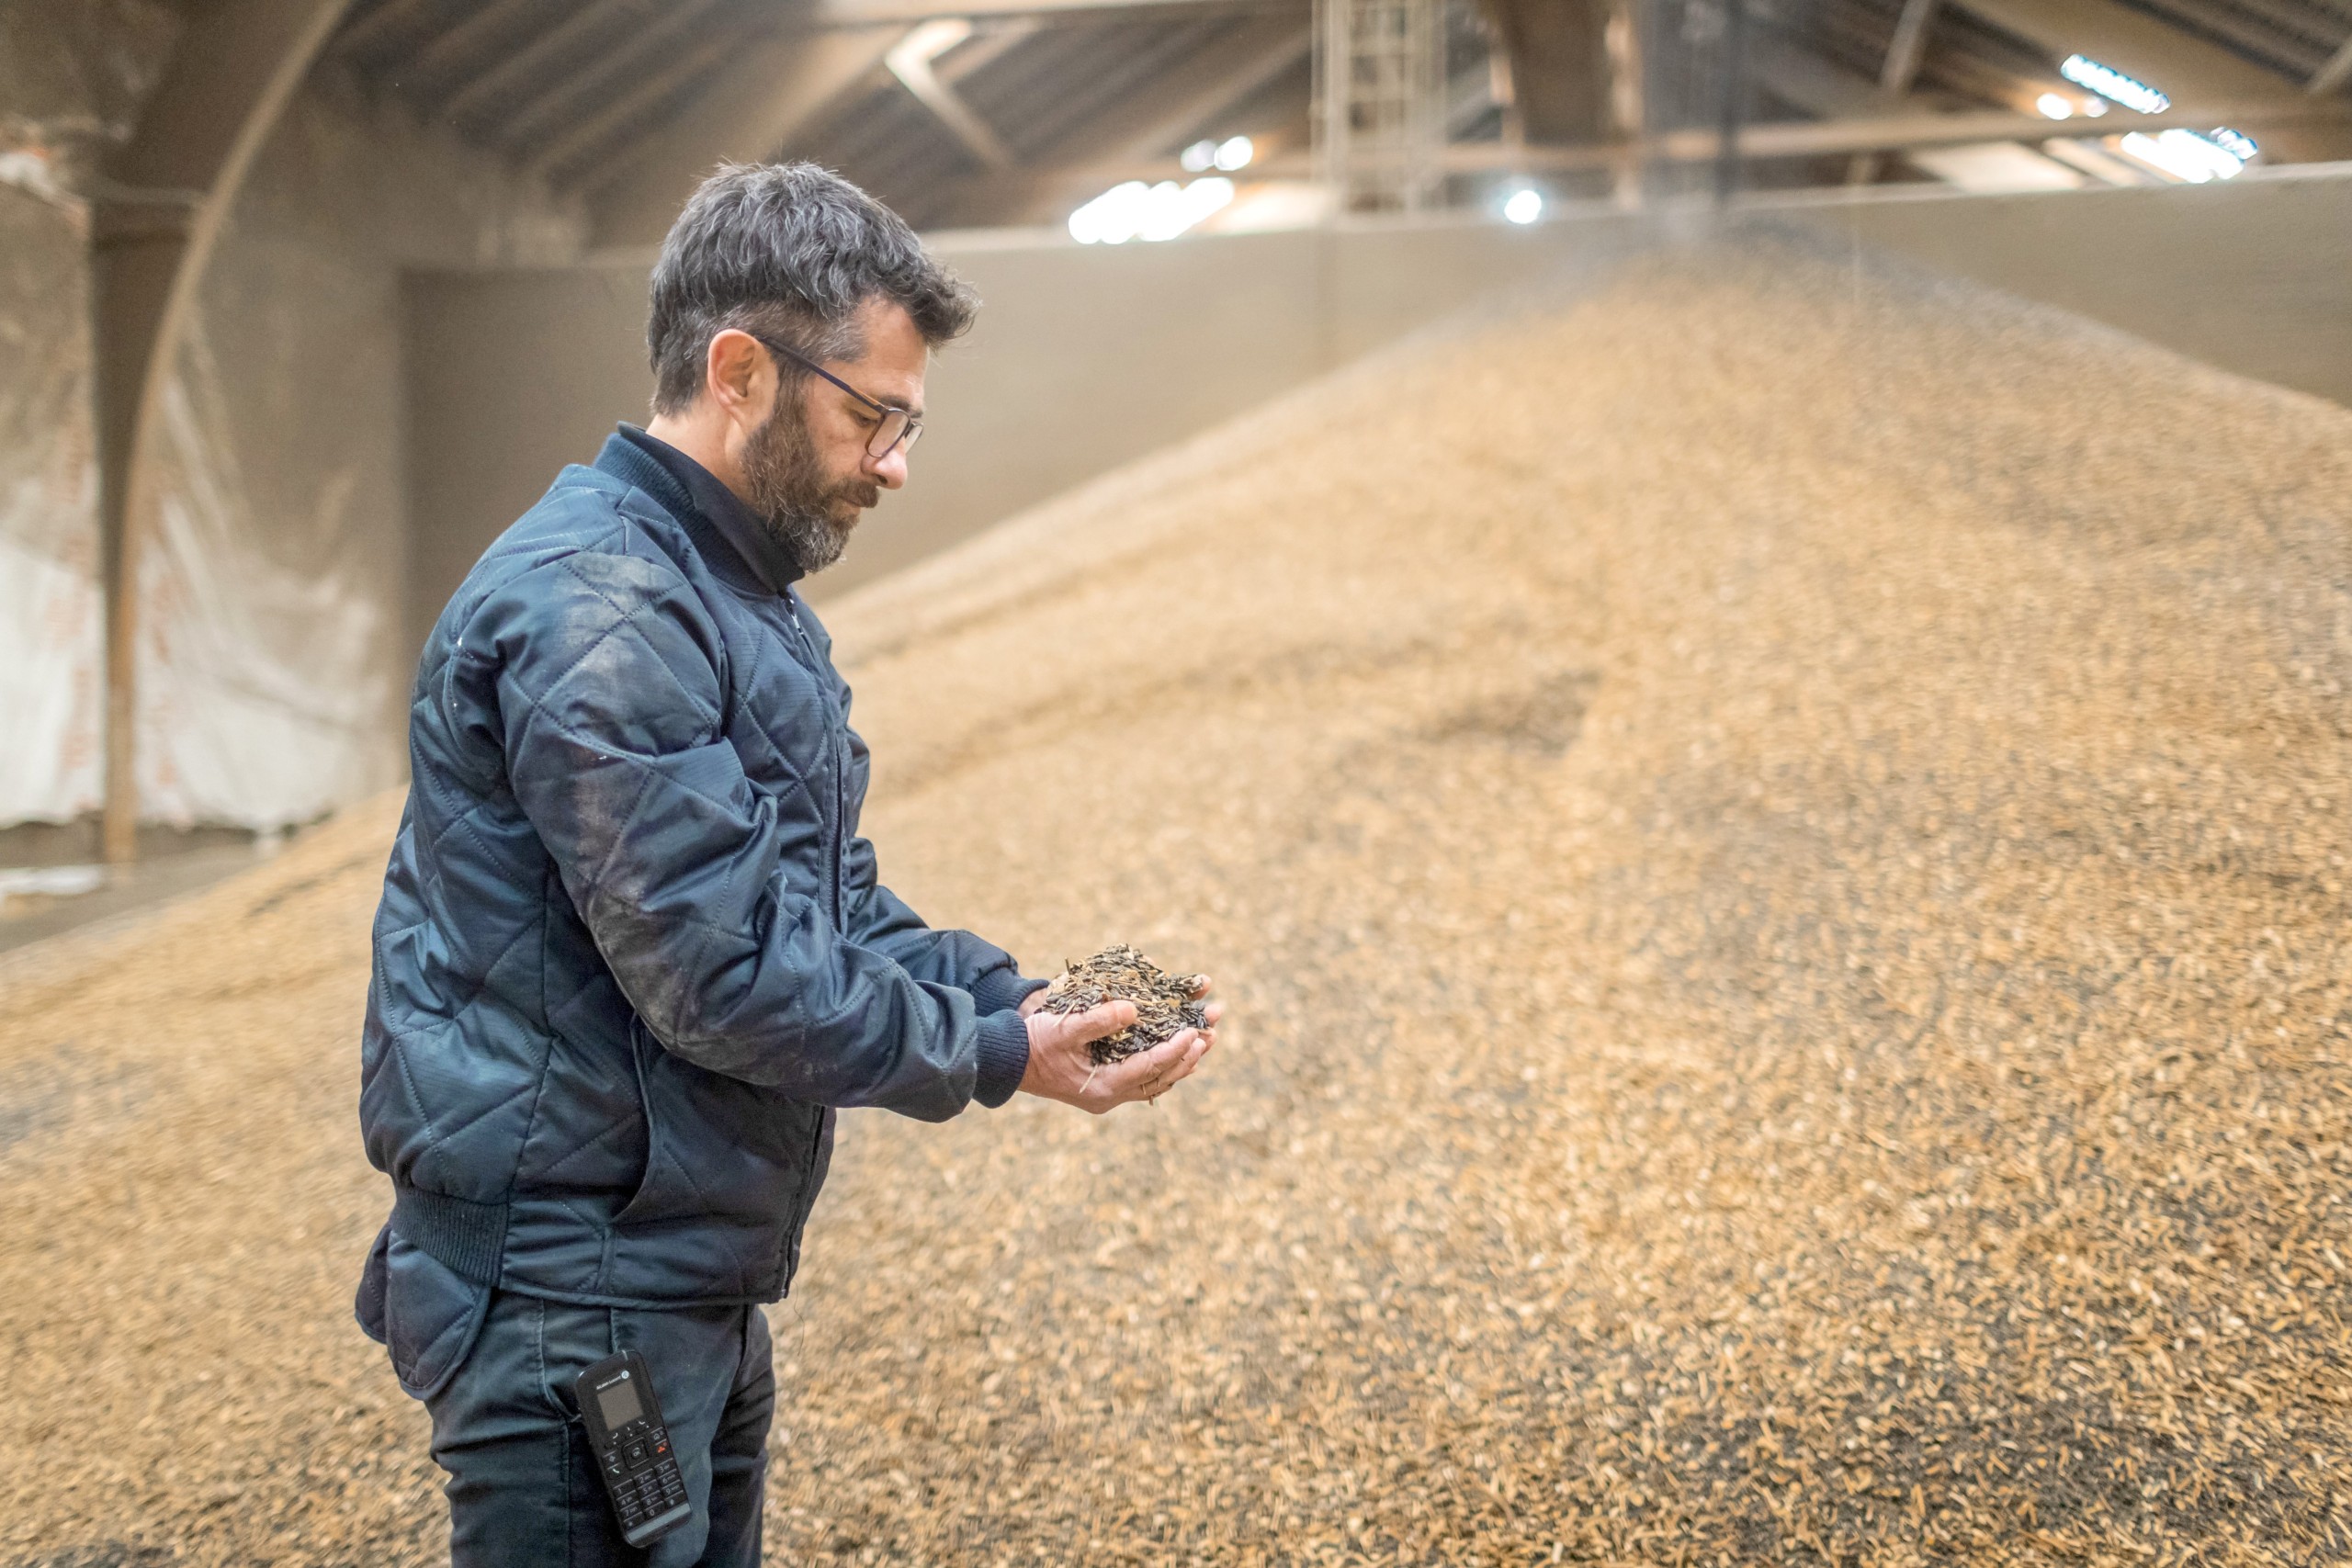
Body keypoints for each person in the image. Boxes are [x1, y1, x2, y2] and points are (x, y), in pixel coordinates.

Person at [354, 161, 1216, 1567]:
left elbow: (820, 905)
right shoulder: (603, 613)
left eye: (909, 422)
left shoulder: (722, 592)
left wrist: (1026, 998)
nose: (894, 462)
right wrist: (997, 1053)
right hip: (582, 1311)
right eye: (872, 414)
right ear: (739, 369)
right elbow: (724, 972)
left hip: (670, 1278)